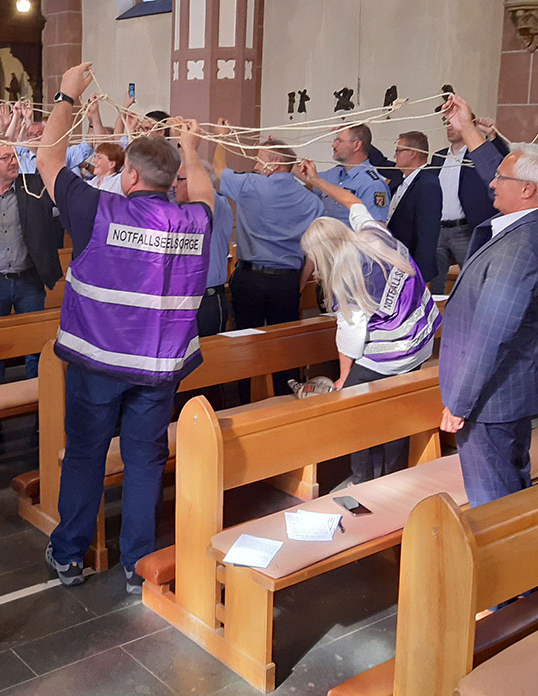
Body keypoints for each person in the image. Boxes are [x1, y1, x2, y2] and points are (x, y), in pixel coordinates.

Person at [37, 63, 214, 595]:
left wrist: (67, 94)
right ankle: (138, 565)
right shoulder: (194, 222)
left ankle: (70, 555)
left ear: (130, 177)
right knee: (145, 461)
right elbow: (204, 190)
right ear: (172, 181)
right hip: (158, 369)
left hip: (98, 363)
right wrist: (191, 148)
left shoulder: (98, 209)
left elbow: (47, 158)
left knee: (87, 454)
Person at [438, 95, 538, 507]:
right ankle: (525, 559)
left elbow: (490, 335)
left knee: (492, 496)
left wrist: (459, 404)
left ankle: (509, 567)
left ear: (528, 190)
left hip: (490, 397)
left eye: (501, 178)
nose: (491, 183)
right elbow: (505, 176)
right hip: (513, 386)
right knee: (511, 480)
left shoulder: (519, 251)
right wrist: (468, 130)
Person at [296, 159, 441, 483]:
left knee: (357, 413)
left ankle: (362, 478)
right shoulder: (374, 233)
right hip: (420, 340)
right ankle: (393, 473)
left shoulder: (347, 279)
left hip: (391, 354)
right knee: (396, 410)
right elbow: (354, 201)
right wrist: (318, 181)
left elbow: (351, 338)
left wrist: (344, 381)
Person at [211, 126, 323, 330]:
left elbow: (219, 169)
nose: (255, 166)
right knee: (284, 344)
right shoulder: (312, 201)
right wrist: (298, 285)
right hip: (287, 281)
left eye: (258, 160)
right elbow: (314, 252)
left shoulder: (250, 185)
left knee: (245, 342)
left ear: (275, 162)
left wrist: (221, 138)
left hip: (250, 279)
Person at [0, 141, 64, 379]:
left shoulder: (32, 186)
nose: (14, 161)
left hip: (29, 279)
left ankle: (41, 401)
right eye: (6, 158)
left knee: (36, 347)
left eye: (14, 156)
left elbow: (58, 199)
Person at [430, 112, 511, 294]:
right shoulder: (439, 156)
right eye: (446, 124)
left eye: (454, 123)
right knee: (436, 283)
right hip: (439, 228)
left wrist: (492, 136)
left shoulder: (477, 155)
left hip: (465, 228)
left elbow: (501, 162)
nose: (449, 127)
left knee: (472, 277)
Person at [175, 162, 232, 337]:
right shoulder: (182, 209)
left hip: (207, 300)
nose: (174, 184)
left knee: (211, 358)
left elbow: (207, 195)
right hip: (181, 301)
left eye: (180, 179)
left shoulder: (218, 204)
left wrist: (188, 146)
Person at [386, 131, 443, 281]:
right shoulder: (399, 178)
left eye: (398, 151)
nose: (395, 156)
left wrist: (419, 274)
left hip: (411, 265)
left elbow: (427, 233)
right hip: (393, 259)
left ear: (412, 153)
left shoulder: (427, 184)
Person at [315, 124, 391, 222]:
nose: (333, 145)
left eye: (339, 141)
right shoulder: (336, 173)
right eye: (335, 140)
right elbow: (307, 176)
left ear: (356, 145)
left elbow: (375, 230)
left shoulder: (373, 185)